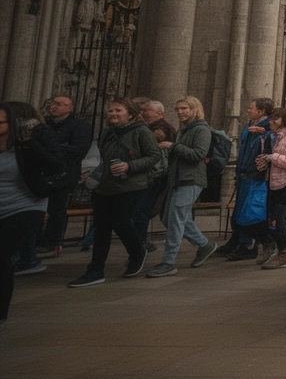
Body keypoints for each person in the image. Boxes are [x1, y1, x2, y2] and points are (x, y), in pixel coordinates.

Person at [68, 97, 165, 287]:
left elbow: (154, 156)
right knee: (101, 226)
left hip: (132, 184)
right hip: (106, 185)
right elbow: (104, 157)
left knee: (121, 221)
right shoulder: (107, 132)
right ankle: (95, 270)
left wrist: (129, 166)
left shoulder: (141, 132)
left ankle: (137, 252)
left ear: (130, 114)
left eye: (118, 110)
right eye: (111, 111)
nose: (113, 114)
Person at [1, 102, 64, 322]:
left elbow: (55, 164)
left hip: (25, 205)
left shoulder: (32, 139)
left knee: (1, 254)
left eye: (1, 122)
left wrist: (28, 142)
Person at [147, 97, 217, 277]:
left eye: (184, 108)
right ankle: (204, 244)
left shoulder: (201, 129)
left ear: (195, 109)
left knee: (175, 221)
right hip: (177, 179)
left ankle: (168, 262)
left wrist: (173, 146)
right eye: (177, 109)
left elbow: (198, 154)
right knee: (169, 219)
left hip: (191, 179)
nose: (180, 112)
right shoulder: (185, 129)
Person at [36, 95, 92, 257]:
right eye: (53, 103)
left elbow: (79, 150)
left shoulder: (79, 126)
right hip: (42, 172)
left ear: (70, 108)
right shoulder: (43, 124)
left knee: (57, 208)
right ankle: (36, 239)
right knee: (37, 208)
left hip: (65, 173)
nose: (54, 106)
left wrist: (50, 147)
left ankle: (53, 241)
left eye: (60, 104)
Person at [250, 107, 286, 269]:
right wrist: (262, 161)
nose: (271, 123)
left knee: (281, 221)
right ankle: (270, 245)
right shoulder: (272, 137)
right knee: (267, 218)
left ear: (285, 120)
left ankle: (283, 254)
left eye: (275, 119)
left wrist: (273, 157)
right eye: (271, 119)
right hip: (271, 183)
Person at [222, 98, 273, 261]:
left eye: (251, 108)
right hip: (244, 172)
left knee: (251, 213)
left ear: (262, 111)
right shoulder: (250, 126)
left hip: (255, 176)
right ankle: (240, 241)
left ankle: (252, 243)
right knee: (240, 211)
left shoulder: (266, 129)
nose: (248, 111)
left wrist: (264, 134)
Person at [132, 100, 176, 252]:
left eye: (146, 110)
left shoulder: (161, 129)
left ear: (160, 113)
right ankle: (141, 240)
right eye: (142, 110)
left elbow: (145, 146)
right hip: (151, 175)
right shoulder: (150, 127)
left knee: (142, 209)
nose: (142, 113)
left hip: (156, 175)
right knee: (141, 209)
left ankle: (140, 243)